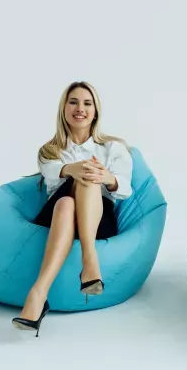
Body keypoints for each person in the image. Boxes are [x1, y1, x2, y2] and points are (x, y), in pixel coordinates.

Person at [12, 81, 133, 336]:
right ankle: (89, 265)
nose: (80, 108)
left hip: (99, 219)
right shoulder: (50, 150)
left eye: (87, 103)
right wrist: (73, 169)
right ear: (63, 109)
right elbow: (53, 174)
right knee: (68, 197)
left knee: (88, 178)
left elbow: (124, 189)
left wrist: (106, 176)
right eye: (73, 102)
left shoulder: (113, 148)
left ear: (95, 111)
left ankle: (37, 295)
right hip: (56, 218)